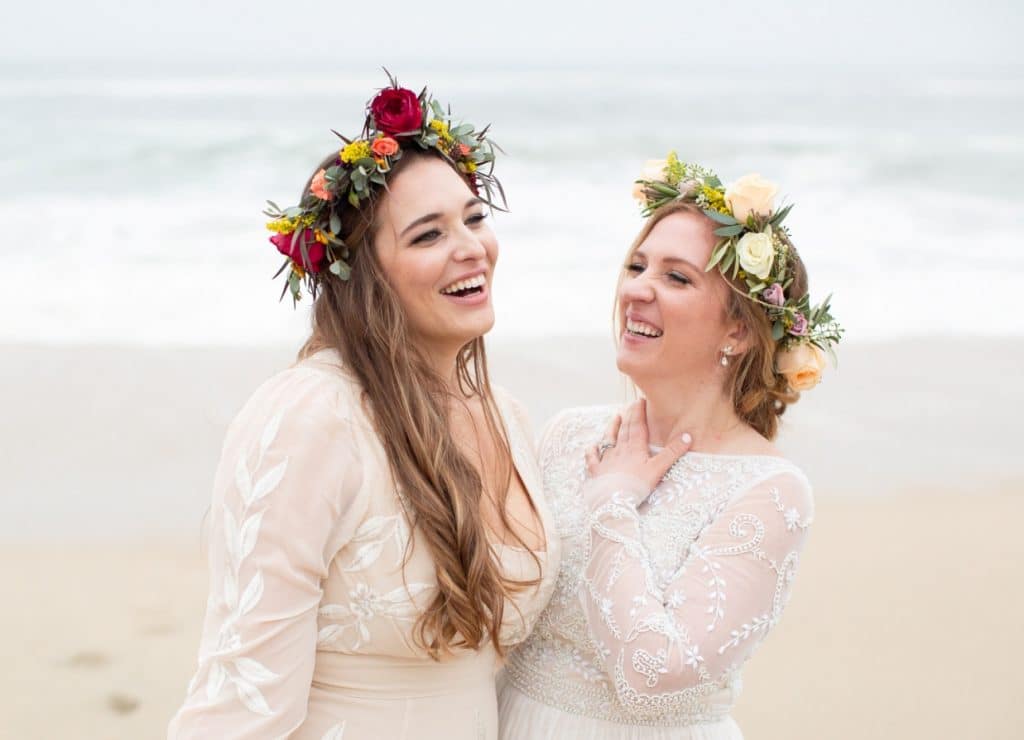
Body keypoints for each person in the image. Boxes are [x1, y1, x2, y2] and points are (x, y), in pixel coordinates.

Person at [168, 76, 561, 739]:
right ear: (363, 274)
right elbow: (242, 704)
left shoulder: (506, 416)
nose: (471, 247)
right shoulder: (311, 419)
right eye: (427, 235)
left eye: (474, 218)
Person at [498, 154, 842, 739]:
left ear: (738, 329)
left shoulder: (770, 492)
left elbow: (651, 675)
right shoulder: (568, 434)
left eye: (676, 277)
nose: (637, 290)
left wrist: (612, 503)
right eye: (637, 266)